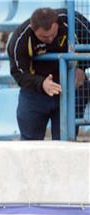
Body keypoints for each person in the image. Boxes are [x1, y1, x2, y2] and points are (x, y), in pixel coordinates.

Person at [8, 7, 90, 140]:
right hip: (35, 92)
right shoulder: (20, 39)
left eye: (53, 34)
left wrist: (82, 68)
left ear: (57, 23)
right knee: (30, 143)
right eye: (44, 37)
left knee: (65, 142)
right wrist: (42, 83)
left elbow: (88, 47)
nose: (50, 39)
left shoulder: (72, 20)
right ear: (33, 29)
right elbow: (18, 73)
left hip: (70, 88)